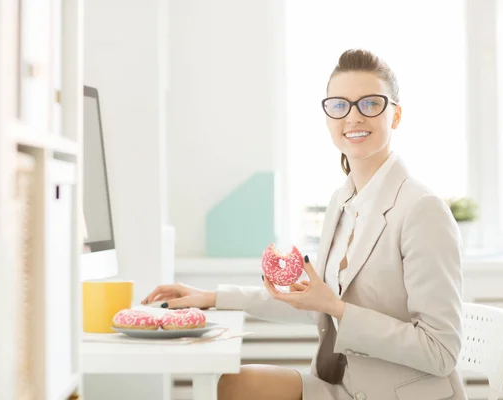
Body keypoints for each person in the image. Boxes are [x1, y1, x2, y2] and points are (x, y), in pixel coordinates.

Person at [142, 49, 467, 400]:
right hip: (340, 386)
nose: (354, 117)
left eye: (371, 104)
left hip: (399, 393)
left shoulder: (422, 209)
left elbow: (441, 352)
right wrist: (212, 298)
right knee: (232, 386)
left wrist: (337, 309)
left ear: (396, 115)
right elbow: (314, 301)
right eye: (340, 105)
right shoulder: (341, 204)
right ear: (328, 117)